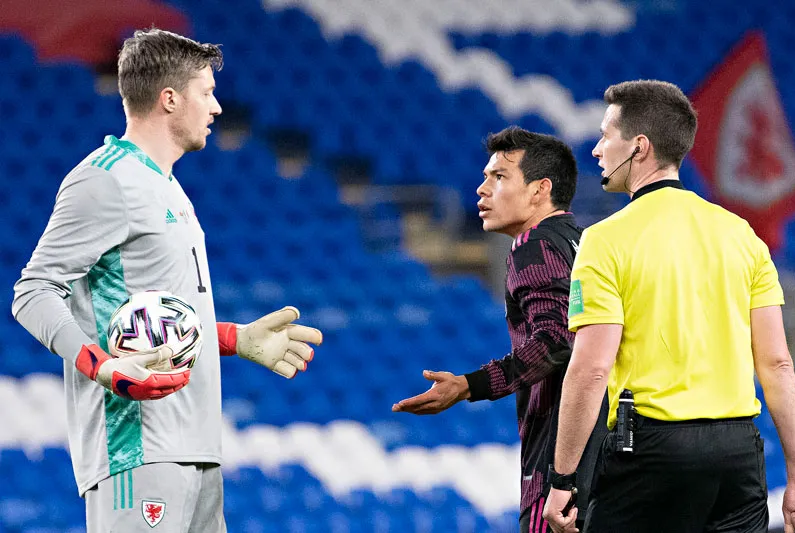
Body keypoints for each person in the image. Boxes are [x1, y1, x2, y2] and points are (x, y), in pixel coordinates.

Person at [12, 28, 323, 533]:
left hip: (198, 444)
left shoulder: (168, 186)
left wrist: (234, 338)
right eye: (207, 92)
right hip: (137, 449)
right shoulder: (103, 180)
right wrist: (104, 366)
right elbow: (33, 292)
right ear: (170, 98)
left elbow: (160, 317)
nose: (217, 107)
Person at [542, 79, 795, 533]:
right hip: (738, 453)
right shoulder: (741, 234)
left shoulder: (603, 241)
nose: (598, 148)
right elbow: (777, 364)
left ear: (639, 147)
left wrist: (563, 478)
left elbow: (591, 369)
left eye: (606, 135)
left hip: (653, 452)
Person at [392, 126, 607, 533]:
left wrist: (468, 385)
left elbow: (554, 340)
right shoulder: (589, 244)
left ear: (540, 189)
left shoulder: (534, 244)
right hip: (610, 452)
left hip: (561, 463)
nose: (481, 189)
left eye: (499, 177)